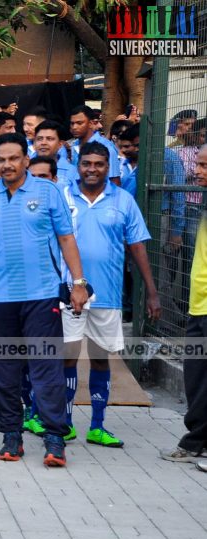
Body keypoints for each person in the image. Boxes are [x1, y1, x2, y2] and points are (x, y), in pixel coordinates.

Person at [0, 133, 90, 467]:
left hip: (42, 295)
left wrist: (78, 283)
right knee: (4, 372)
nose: (7, 165)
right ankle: (11, 436)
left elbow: (66, 238)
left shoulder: (47, 191)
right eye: (1, 160)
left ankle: (54, 438)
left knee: (45, 368)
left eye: (13, 158)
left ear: (25, 159)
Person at [62, 142, 159, 447]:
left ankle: (97, 425)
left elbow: (138, 247)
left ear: (108, 167)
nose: (92, 169)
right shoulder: (64, 196)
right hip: (68, 294)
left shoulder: (124, 200)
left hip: (107, 295)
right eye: (86, 163)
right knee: (66, 359)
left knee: (101, 360)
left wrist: (152, 292)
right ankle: (62, 424)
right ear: (78, 166)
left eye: (99, 164)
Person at [162, 144, 207, 467]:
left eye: (204, 165)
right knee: (196, 378)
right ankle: (197, 440)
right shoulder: (203, 203)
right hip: (198, 306)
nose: (197, 170)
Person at [68, 105, 121, 185]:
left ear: (90, 123)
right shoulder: (73, 146)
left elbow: (115, 182)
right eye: (72, 123)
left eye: (79, 123)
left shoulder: (107, 147)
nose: (74, 127)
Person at [33, 120, 78, 187]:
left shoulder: (72, 172)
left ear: (60, 144)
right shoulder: (25, 168)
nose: (43, 143)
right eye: (39, 139)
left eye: (49, 139)